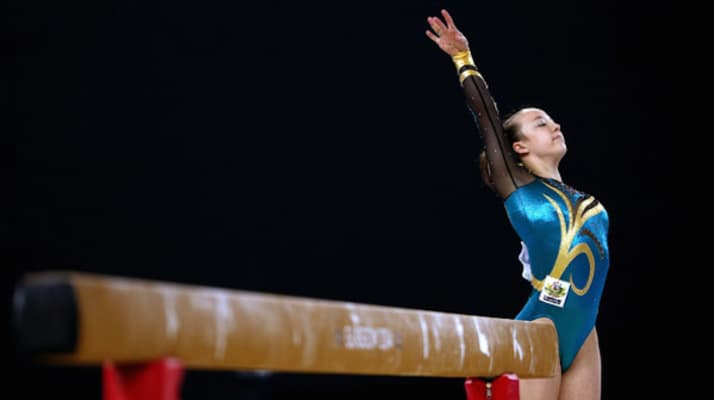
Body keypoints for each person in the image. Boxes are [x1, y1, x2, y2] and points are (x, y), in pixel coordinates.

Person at [425, 9, 610, 400]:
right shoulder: (519, 187)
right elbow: (487, 117)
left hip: (584, 333)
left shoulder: (579, 197)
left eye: (552, 120)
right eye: (541, 123)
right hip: (543, 326)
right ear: (519, 148)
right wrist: (463, 58)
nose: (555, 125)